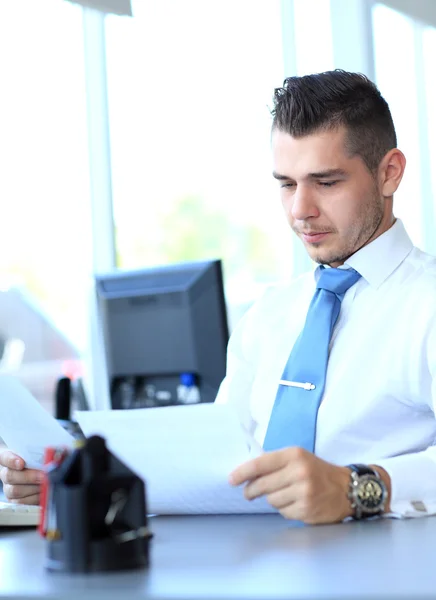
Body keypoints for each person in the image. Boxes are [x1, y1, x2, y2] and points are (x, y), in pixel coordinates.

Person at [2, 70, 436, 524]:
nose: (299, 210)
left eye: (326, 183)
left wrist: (358, 487)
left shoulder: (426, 304)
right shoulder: (269, 316)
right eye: (286, 184)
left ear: (389, 173)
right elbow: (215, 464)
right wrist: (72, 479)